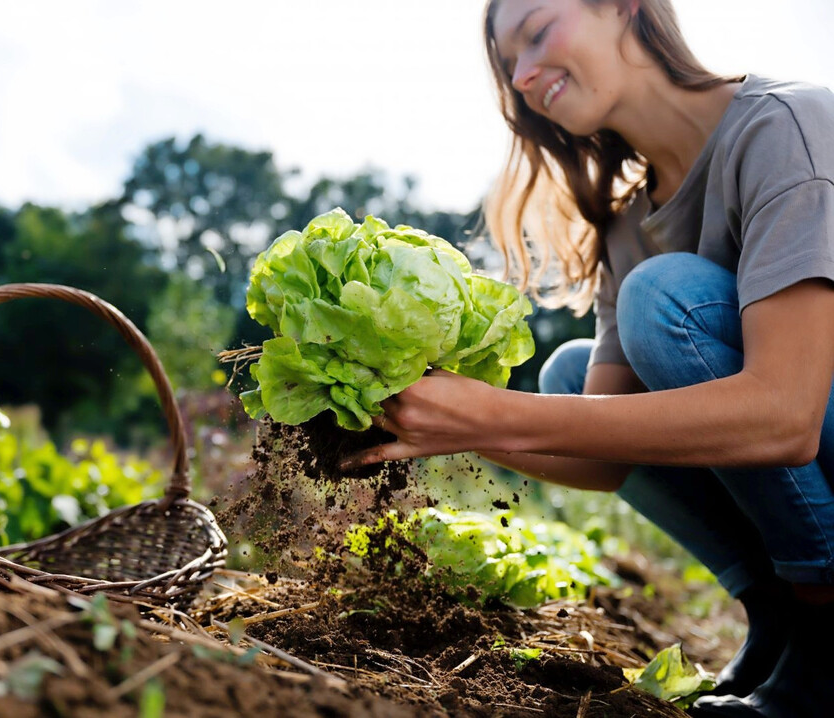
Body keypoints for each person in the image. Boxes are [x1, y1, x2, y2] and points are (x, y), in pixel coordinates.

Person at [340, 1, 834, 716]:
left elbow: (784, 415)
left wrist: (494, 412)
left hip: (804, 415)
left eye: (537, 32)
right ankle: (779, 615)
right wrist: (452, 425)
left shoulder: (784, 126)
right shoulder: (628, 223)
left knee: (663, 298)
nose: (521, 75)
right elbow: (602, 461)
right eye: (509, 61)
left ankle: (823, 625)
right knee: (572, 378)